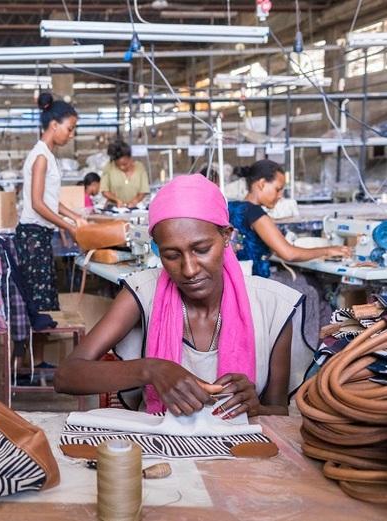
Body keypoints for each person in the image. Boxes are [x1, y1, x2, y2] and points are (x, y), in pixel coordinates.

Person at [55, 174, 312, 418]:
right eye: (171, 255)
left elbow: (278, 412)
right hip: (159, 454)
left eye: (201, 250)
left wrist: (255, 408)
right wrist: (151, 369)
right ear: (157, 249)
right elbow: (66, 375)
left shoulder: (271, 307)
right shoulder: (143, 293)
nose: (189, 270)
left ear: (226, 237)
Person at [16, 92, 85, 313]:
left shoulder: (46, 155)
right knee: (40, 306)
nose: (71, 135)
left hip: (39, 236)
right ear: (54, 125)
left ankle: (38, 346)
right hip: (33, 237)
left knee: (45, 301)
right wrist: (69, 226)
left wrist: (74, 216)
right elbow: (37, 204)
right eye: (70, 128)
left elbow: (50, 200)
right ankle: (33, 347)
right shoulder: (41, 157)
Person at [228, 159, 351, 279]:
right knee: (310, 287)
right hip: (256, 284)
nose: (280, 195)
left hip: (237, 281)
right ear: (262, 184)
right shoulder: (255, 212)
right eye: (278, 189)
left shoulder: (232, 208)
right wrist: (328, 251)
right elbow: (289, 254)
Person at [100, 140, 149, 208]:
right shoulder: (109, 167)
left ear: (130, 158)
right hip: (114, 209)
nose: (122, 167)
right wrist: (117, 200)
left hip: (136, 209)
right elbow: (104, 191)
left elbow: (143, 190)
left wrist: (135, 201)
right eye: (118, 165)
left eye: (125, 164)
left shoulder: (140, 168)